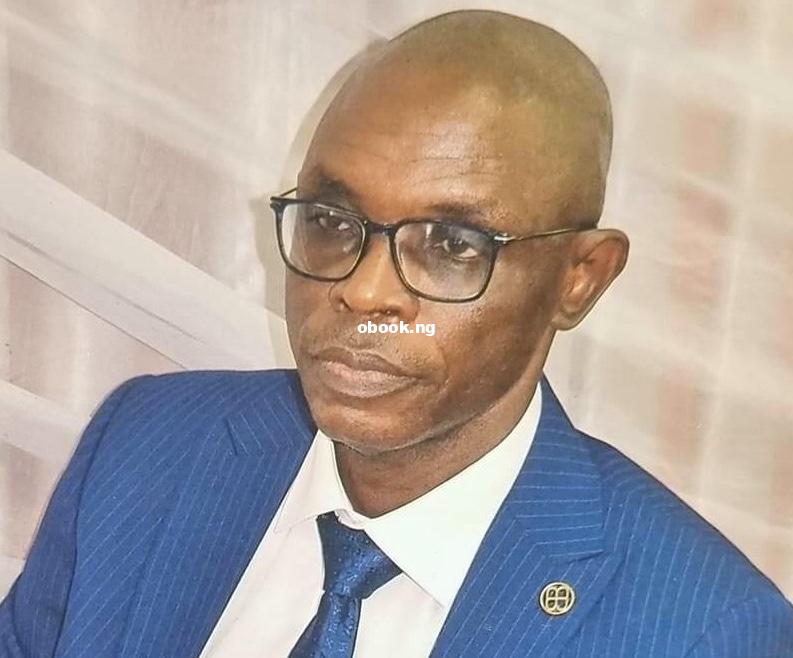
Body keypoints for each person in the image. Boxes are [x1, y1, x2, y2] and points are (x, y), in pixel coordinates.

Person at [1, 9, 791, 658]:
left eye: (451, 243)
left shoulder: (705, 631)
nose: (363, 291)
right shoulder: (146, 443)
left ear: (578, 278)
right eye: (330, 220)